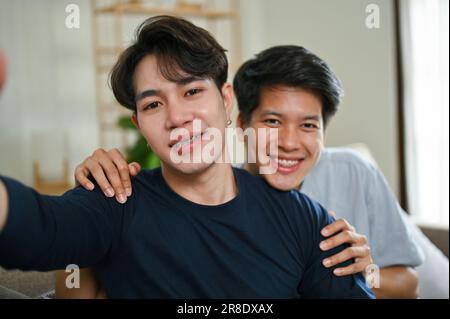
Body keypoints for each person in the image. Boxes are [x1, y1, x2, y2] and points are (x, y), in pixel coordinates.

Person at [0, 16, 374, 299]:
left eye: (192, 91)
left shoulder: (303, 219)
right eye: (153, 103)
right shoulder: (116, 199)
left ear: (226, 101)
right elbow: (42, 228)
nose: (177, 117)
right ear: (140, 124)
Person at [72, 45, 427, 298]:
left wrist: (364, 273)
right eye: (272, 121)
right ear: (241, 123)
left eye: (308, 125)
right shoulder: (222, 196)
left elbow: (411, 284)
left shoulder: (354, 171)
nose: (289, 142)